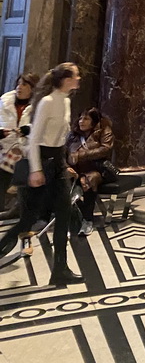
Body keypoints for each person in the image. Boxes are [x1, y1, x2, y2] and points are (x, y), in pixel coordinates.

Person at [0, 62, 82, 285]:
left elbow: (61, 137)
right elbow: (34, 138)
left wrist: (65, 161)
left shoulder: (65, 101)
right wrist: (36, 170)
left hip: (57, 162)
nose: (79, 78)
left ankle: (60, 270)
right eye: (75, 75)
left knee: (64, 214)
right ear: (65, 79)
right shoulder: (47, 102)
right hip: (42, 162)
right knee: (28, 218)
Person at [66, 108, 115, 236]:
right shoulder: (73, 134)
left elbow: (105, 149)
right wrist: (66, 166)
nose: (82, 121)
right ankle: (69, 218)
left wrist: (81, 155)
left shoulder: (104, 131)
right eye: (80, 118)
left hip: (98, 170)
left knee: (87, 180)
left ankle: (88, 220)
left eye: (86, 119)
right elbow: (64, 152)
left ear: (93, 122)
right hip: (76, 169)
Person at [0, 73, 38, 215]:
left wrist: (25, 130)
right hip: (4, 146)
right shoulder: (5, 102)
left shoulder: (38, 105)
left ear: (32, 88)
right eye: (18, 84)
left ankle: (18, 206)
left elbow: (39, 128)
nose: (19, 87)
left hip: (26, 150)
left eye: (24, 85)